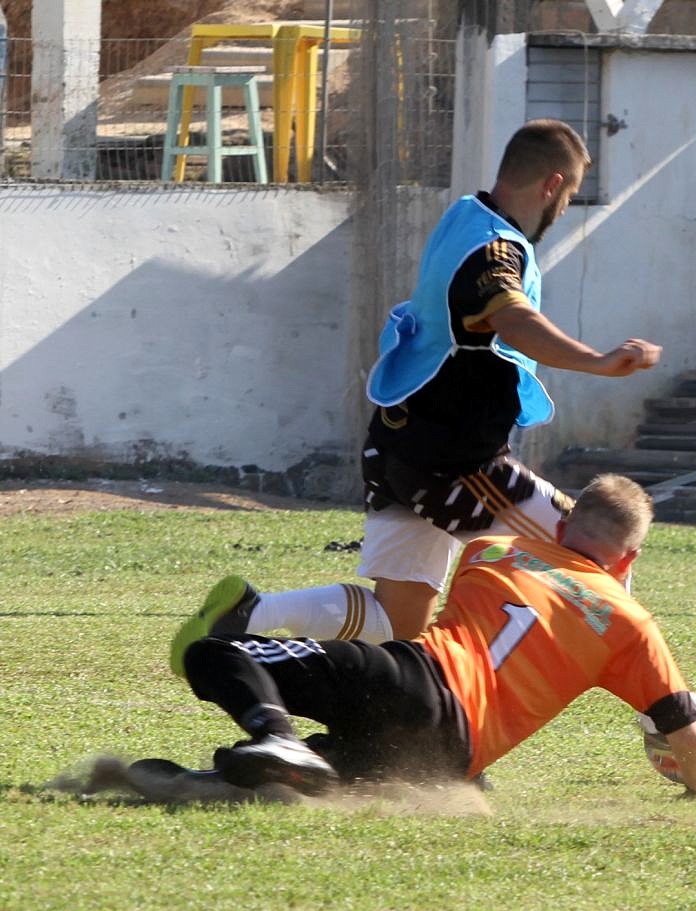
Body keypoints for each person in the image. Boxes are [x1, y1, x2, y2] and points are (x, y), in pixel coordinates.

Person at [169, 119, 661, 671]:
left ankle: (249, 615)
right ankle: (654, 702)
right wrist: (596, 361)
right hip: (456, 463)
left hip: (399, 446)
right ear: (551, 185)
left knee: (399, 624)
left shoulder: (463, 218)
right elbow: (513, 318)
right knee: (598, 541)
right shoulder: (495, 249)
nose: (564, 208)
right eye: (568, 195)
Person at [178, 475, 696, 802]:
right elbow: (689, 736)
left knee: (217, 651)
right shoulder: (632, 623)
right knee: (326, 777)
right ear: (631, 558)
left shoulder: (492, 551)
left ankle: (277, 737)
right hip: (454, 758)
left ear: (564, 527)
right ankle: (240, 778)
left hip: (419, 680)